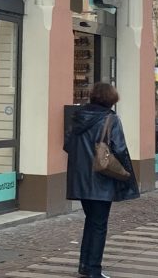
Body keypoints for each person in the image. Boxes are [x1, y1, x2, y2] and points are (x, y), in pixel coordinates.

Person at [64, 82, 139, 278]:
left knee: (91, 221)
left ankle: (85, 265)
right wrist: (126, 174)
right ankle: (94, 269)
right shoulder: (111, 119)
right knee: (99, 225)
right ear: (111, 100)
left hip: (80, 178)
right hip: (102, 179)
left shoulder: (78, 117)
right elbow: (120, 149)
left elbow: (67, 145)